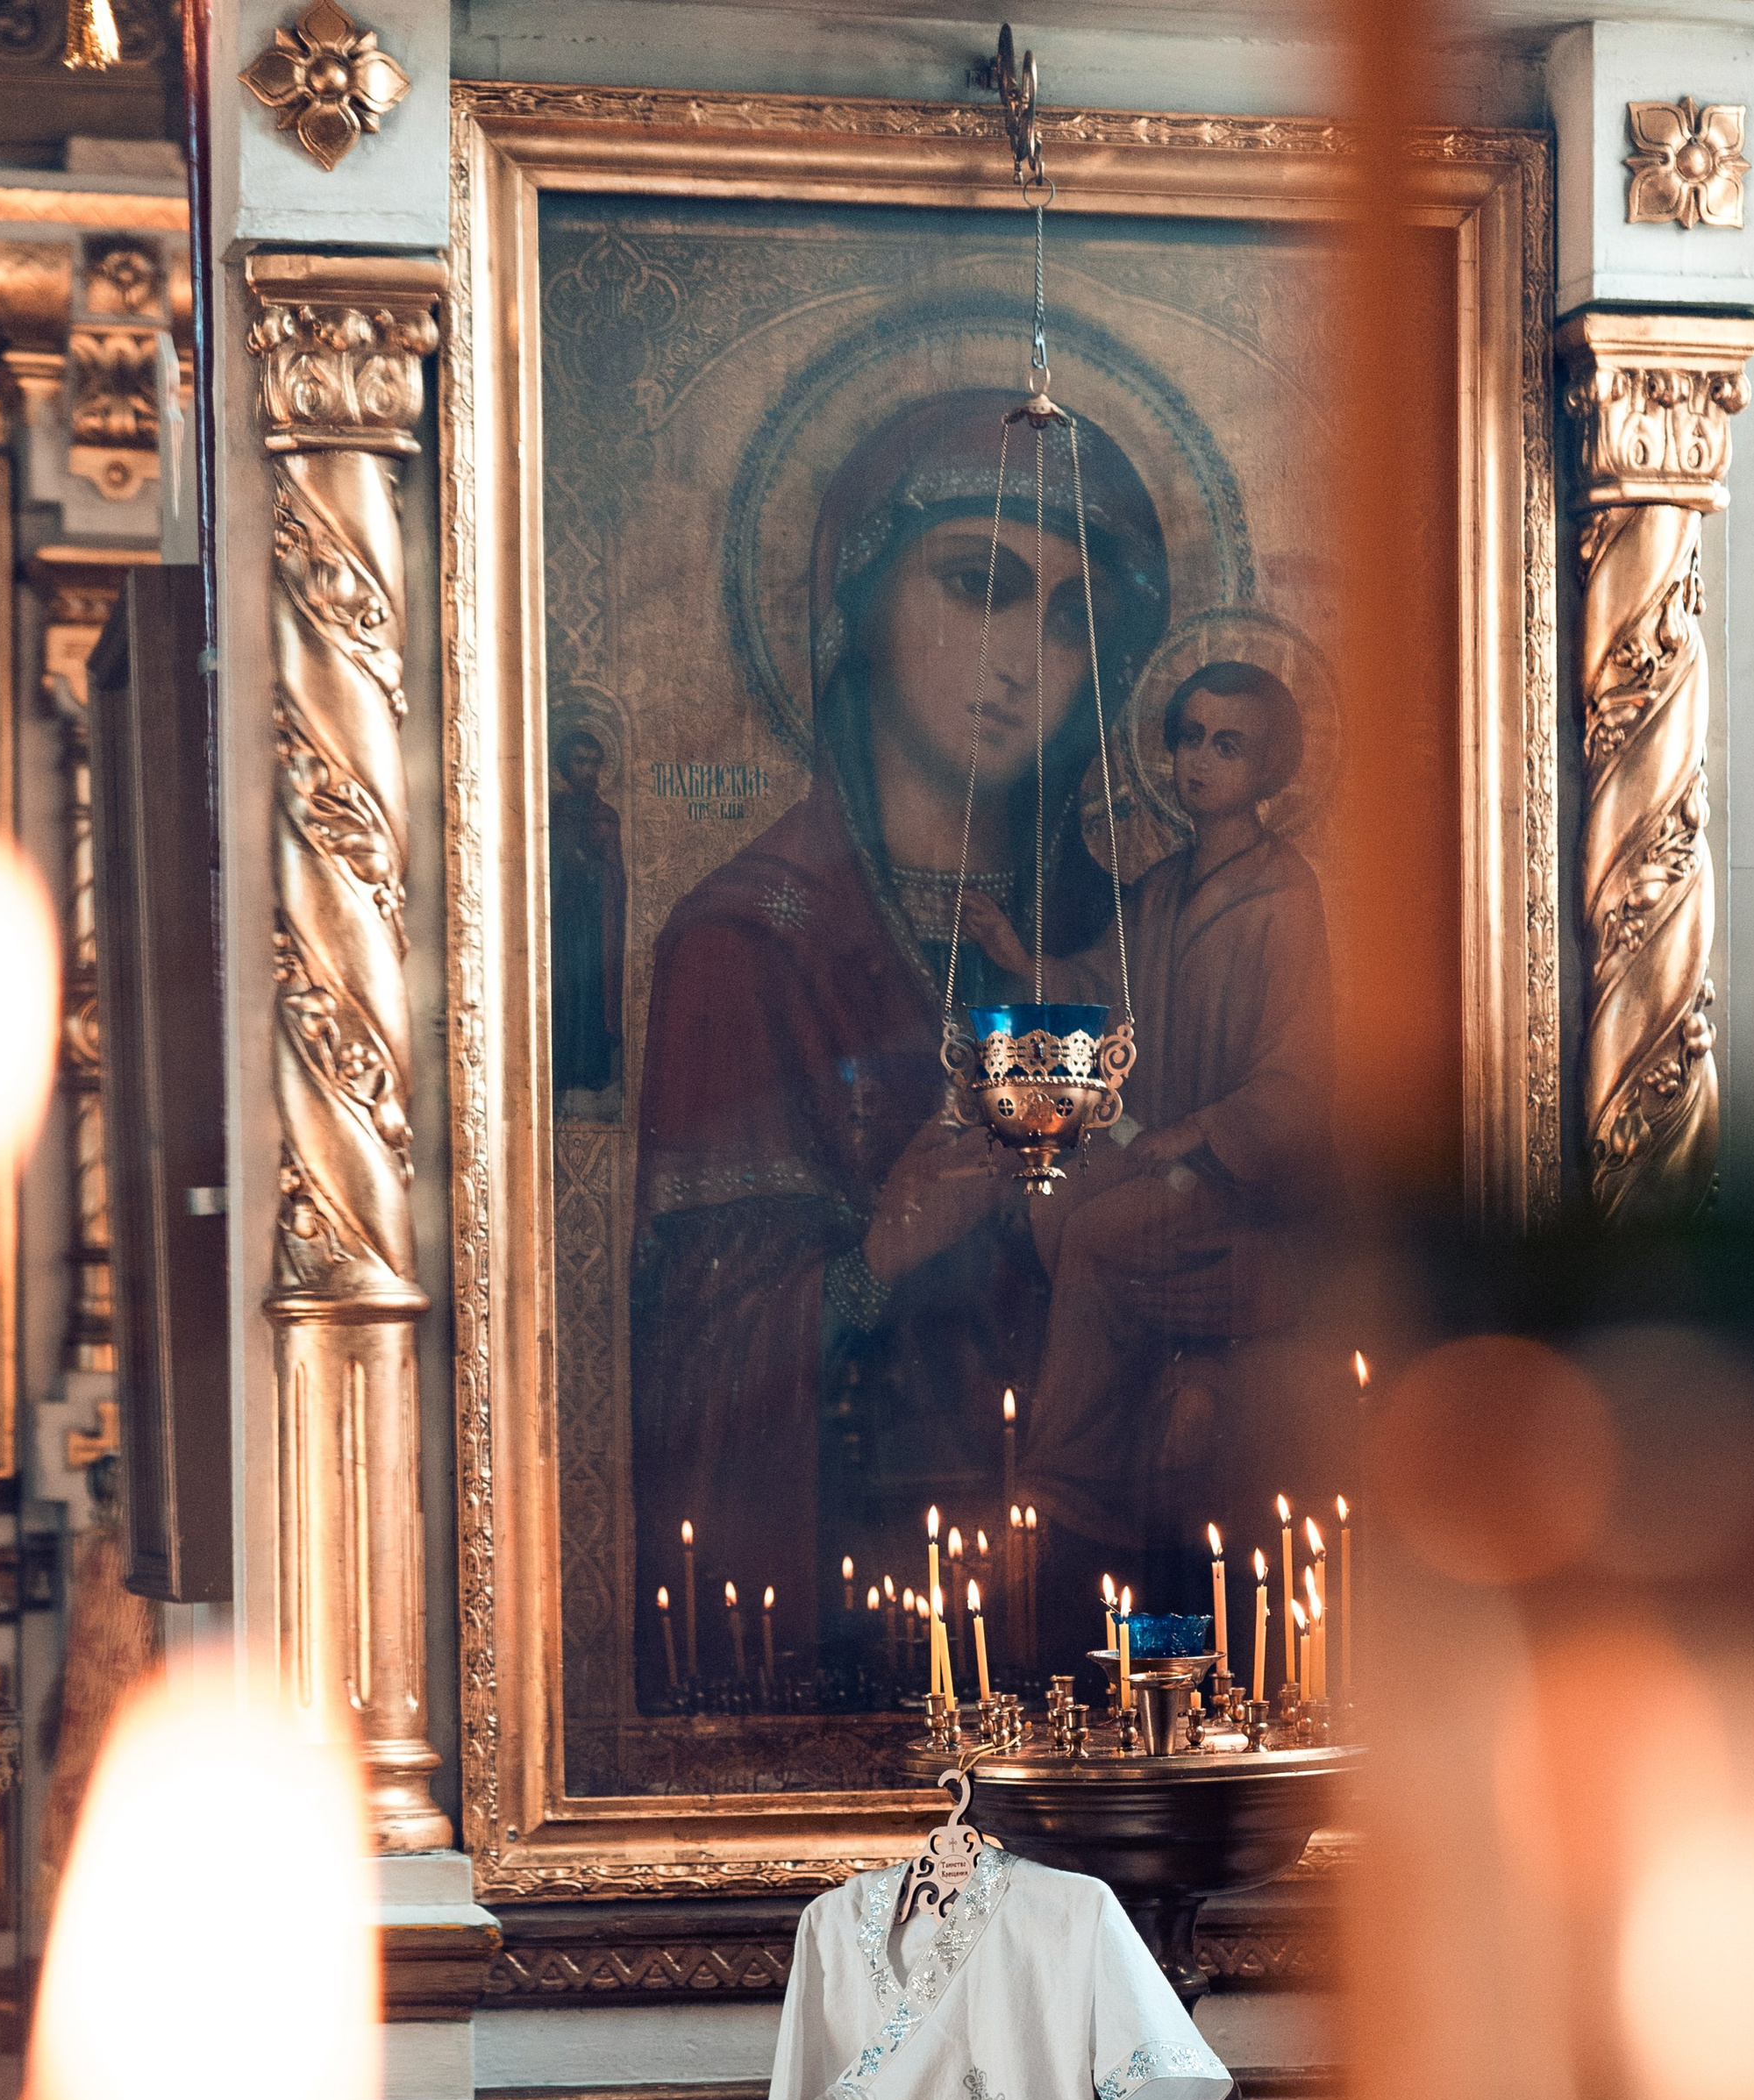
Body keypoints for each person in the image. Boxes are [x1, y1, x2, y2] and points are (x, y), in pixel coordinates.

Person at [630, 391, 1170, 1703]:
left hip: (1111, 1604)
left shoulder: (1133, 936)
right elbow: (687, 1377)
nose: (1023, 660)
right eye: (977, 584)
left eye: (1070, 619)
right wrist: (876, 1260)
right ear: (856, 599)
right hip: (861, 1604)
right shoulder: (747, 943)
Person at [959, 658, 1333, 1607]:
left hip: (1236, 1184)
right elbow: (1097, 987)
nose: (1197, 761)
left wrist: (1199, 1132)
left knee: (1092, 1235)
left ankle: (1064, 1492)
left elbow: (1299, 1071)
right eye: (1186, 737)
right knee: (1047, 1204)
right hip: (1159, 1158)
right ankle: (1140, 1417)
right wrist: (1016, 957)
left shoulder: (1284, 894)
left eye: (1226, 743)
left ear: (1270, 765)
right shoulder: (1163, 888)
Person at [548, 724, 625, 1101]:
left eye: (595, 763)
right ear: (565, 765)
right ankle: (561, 1068)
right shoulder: (553, 813)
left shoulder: (606, 816)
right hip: (561, 921)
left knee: (591, 990)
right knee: (563, 990)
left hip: (596, 924)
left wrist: (594, 871)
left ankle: (592, 1070)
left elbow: (615, 875)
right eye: (581, 762)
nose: (589, 771)